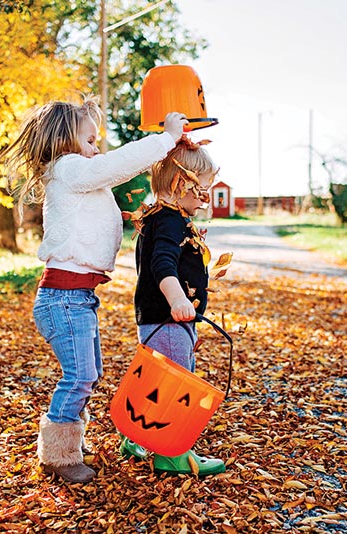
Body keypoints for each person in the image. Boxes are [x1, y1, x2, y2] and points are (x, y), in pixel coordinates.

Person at [0, 96, 188, 483]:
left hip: (77, 298)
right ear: (65, 141)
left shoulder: (77, 180)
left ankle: (69, 443)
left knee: (89, 372)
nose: (95, 148)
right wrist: (165, 139)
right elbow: (114, 167)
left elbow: (97, 214)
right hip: (63, 299)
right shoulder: (68, 169)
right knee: (80, 374)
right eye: (89, 140)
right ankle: (59, 455)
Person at [124, 136, 226, 476]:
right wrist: (179, 300)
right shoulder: (168, 221)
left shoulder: (162, 217)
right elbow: (162, 265)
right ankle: (173, 453)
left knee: (153, 384)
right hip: (168, 318)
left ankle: (132, 438)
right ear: (181, 183)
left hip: (161, 319)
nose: (206, 197)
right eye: (203, 188)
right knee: (176, 387)